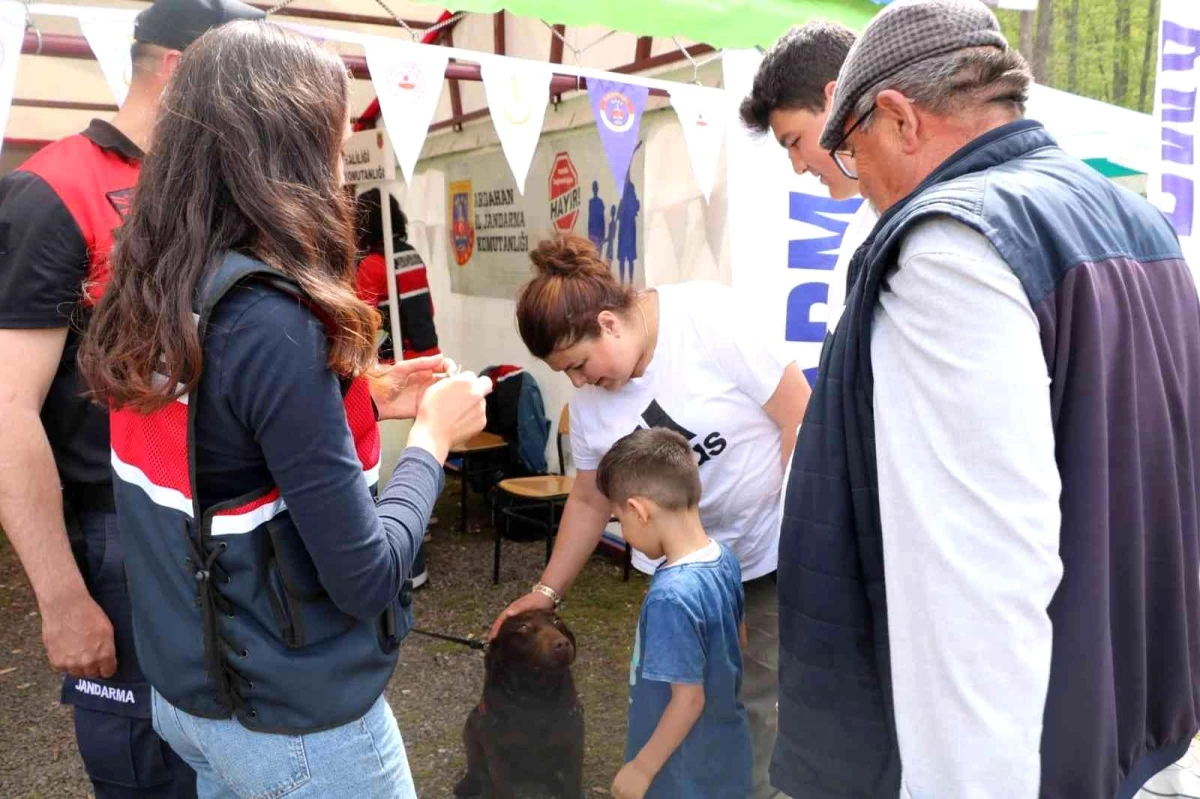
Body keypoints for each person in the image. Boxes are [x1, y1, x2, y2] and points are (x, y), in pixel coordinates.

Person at [775, 0, 1200, 797]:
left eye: (853, 151)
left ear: (898, 117)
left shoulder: (950, 246)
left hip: (1031, 753)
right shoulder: (1144, 223)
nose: (857, 184)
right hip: (1135, 720)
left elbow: (973, 578)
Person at [78, 21, 491, 797]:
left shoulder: (153, 286)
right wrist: (432, 439)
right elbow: (365, 576)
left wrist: (360, 391)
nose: (340, 168)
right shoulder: (271, 316)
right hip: (291, 724)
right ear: (287, 153)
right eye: (333, 143)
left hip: (189, 695)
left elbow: (215, 438)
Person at [0, 1, 261, 796]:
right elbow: (7, 409)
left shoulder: (210, 192)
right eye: (239, 86)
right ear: (183, 71)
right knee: (150, 770)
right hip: (117, 531)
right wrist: (62, 598)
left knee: (228, 756)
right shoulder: (52, 189)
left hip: (223, 524)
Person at [492, 232, 809, 799]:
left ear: (610, 323)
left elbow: (799, 418)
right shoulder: (592, 398)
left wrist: (805, 538)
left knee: (752, 707)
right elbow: (589, 500)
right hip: (679, 574)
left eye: (580, 364)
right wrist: (547, 590)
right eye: (566, 373)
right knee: (684, 700)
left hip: (763, 556)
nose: (581, 383)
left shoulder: (707, 318)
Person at [599, 428, 751, 799]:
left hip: (680, 770)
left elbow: (688, 699)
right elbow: (739, 641)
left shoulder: (670, 596)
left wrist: (641, 768)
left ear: (638, 511)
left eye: (618, 520)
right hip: (725, 749)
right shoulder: (723, 557)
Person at [739, 20, 875, 335]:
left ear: (836, 99)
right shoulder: (866, 222)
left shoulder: (931, 212)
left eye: (795, 142)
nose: (798, 166)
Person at [354, 188, 440, 364]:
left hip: (398, 366)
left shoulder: (373, 264)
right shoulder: (411, 254)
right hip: (432, 358)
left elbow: (361, 326)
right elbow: (429, 309)